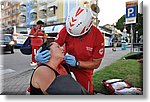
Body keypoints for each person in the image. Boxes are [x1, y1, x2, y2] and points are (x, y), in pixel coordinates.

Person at [35, 6, 105, 94]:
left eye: (78, 36)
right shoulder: (66, 30)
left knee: (86, 92)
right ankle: (33, 89)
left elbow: (96, 63)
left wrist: (78, 63)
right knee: (46, 70)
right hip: (67, 62)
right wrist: (41, 54)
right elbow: (54, 46)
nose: (62, 49)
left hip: (84, 68)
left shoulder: (98, 37)